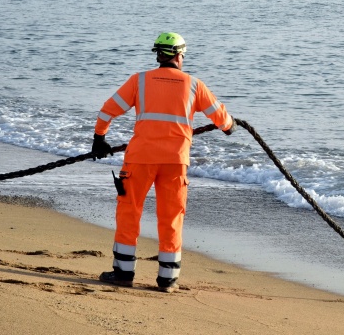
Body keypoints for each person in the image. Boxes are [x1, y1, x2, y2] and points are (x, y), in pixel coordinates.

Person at [91, 32, 237, 293]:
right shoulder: (194, 85)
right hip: (175, 162)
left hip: (139, 159)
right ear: (180, 55)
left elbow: (108, 109)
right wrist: (230, 126)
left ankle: (124, 273)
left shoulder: (140, 81)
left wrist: (99, 138)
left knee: (129, 212)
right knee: (171, 217)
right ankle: (168, 280)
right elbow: (223, 122)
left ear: (158, 54)